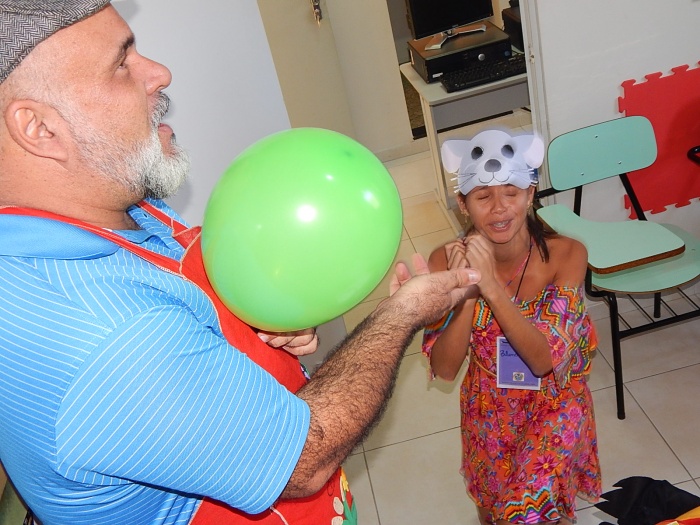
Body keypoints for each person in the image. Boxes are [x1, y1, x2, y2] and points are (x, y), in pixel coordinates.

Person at [0, 2, 482, 524]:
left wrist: (257, 323)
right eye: (121, 62)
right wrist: (400, 315)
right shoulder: (107, 334)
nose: (159, 73)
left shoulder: (102, 212)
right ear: (38, 127)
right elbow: (305, 458)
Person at [421, 129, 602, 525]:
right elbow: (445, 368)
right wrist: (468, 292)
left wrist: (489, 285)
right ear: (463, 204)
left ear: (530, 194)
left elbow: (542, 361)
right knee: (492, 511)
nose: (500, 209)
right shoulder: (444, 261)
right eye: (483, 196)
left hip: (555, 402)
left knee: (527, 514)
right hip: (488, 407)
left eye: (512, 193)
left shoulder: (567, 254)